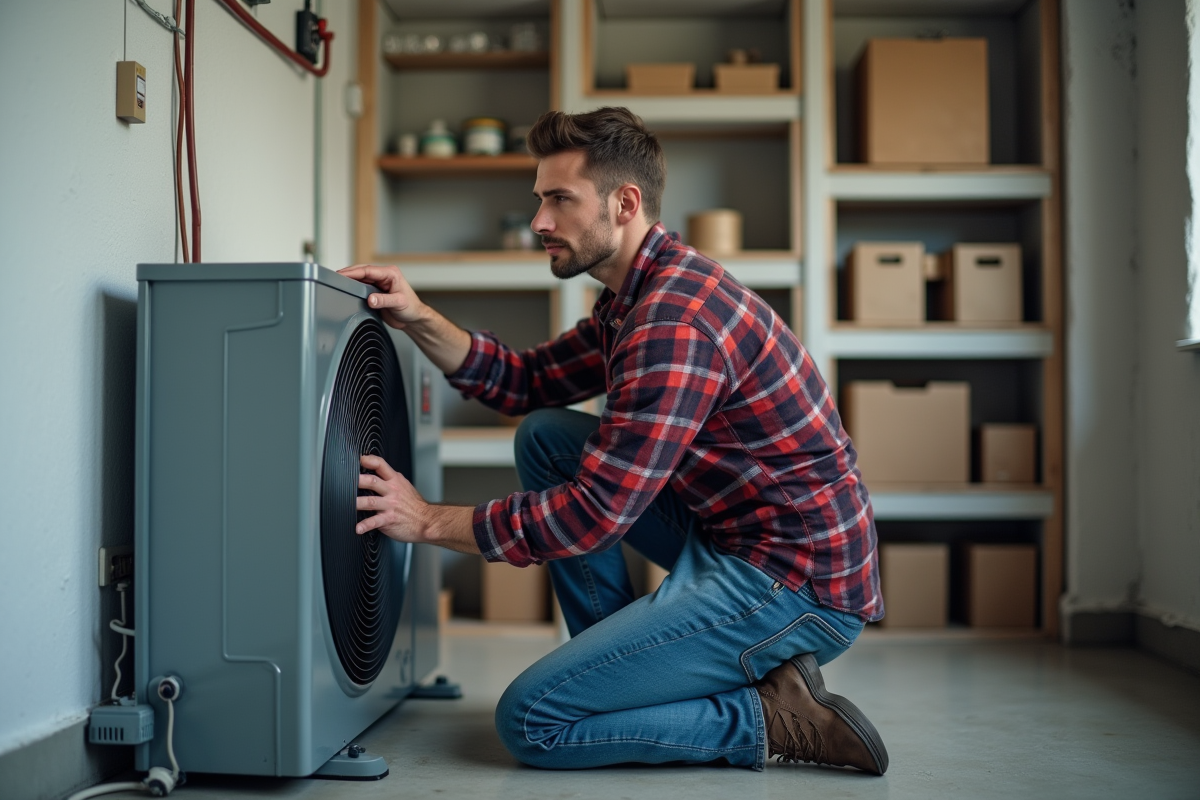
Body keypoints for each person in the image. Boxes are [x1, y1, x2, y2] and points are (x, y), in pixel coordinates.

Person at [338, 107, 888, 775]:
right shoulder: (631, 298)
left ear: (625, 203)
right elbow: (527, 381)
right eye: (539, 199)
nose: (540, 220)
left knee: (533, 722)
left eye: (559, 199)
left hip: (798, 587)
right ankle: (623, 673)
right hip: (733, 537)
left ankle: (769, 719)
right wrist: (419, 318)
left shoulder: (672, 320)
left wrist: (427, 520)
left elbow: (595, 513)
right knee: (548, 436)